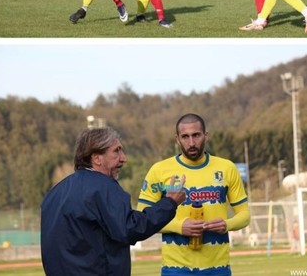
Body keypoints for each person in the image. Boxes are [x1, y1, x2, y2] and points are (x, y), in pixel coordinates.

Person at [41, 127, 186, 276]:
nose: (123, 158)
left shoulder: (54, 194)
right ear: (96, 158)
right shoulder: (103, 187)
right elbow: (130, 228)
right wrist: (170, 203)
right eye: (116, 151)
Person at [138, 113, 251, 275]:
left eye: (196, 135)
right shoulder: (159, 171)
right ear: (177, 139)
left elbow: (245, 215)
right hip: (175, 269)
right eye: (185, 137)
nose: (191, 143)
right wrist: (179, 226)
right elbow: (143, 217)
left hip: (218, 268)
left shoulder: (227, 168)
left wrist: (226, 224)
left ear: (206, 135)